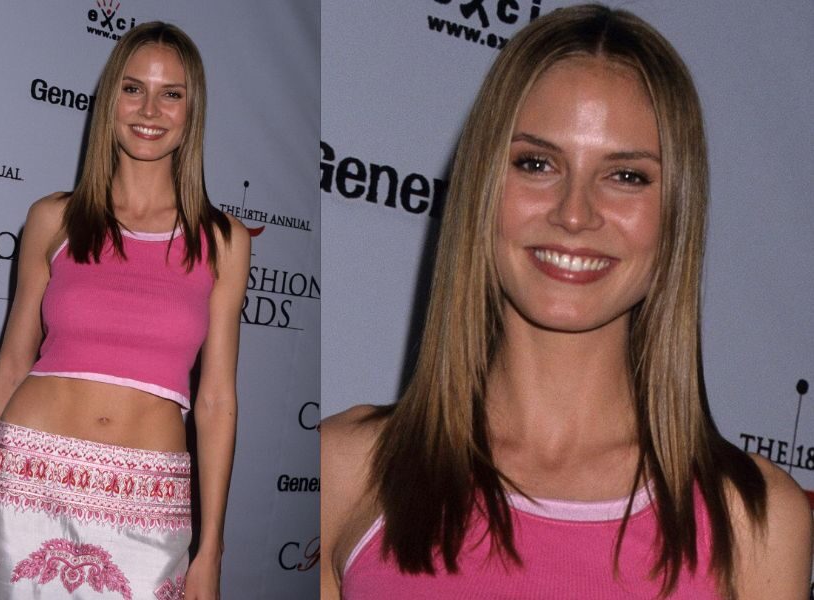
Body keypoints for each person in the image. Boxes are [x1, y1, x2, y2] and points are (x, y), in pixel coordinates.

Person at [321, 5, 813, 599]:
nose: (574, 213)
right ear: (482, 186)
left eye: (626, 175)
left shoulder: (754, 521)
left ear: (676, 213)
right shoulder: (350, 471)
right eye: (536, 163)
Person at [0, 21, 249, 600]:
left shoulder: (223, 241)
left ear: (192, 112)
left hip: (149, 503)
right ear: (110, 100)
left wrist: (210, 548)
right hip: (19, 489)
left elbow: (215, 399)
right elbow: (10, 366)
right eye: (133, 88)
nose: (150, 109)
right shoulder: (53, 219)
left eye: (172, 93)